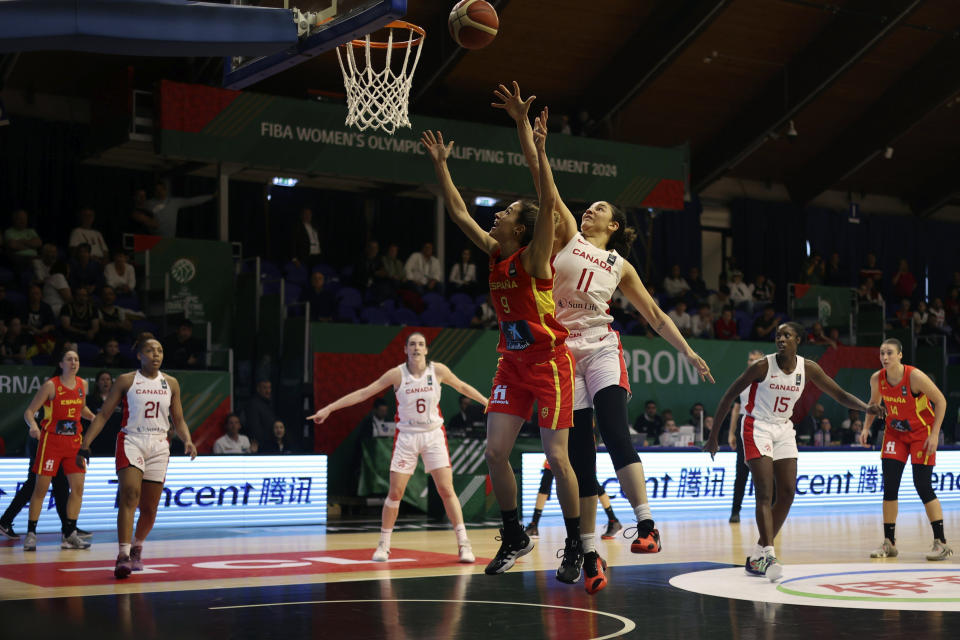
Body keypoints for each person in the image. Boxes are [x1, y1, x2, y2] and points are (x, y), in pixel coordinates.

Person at [495, 82, 712, 593]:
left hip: (600, 345)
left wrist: (688, 349)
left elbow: (656, 315)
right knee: (578, 459)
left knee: (616, 430)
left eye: (598, 209)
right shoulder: (566, 233)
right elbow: (540, 179)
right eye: (587, 207)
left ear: (613, 226)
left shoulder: (619, 264)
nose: (588, 211)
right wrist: (526, 130)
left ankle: (647, 524)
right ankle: (591, 554)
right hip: (559, 353)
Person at [421, 115, 584, 582]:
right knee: (495, 454)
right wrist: (442, 167)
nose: (497, 214)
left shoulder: (535, 258)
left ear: (523, 228)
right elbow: (458, 213)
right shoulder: (496, 252)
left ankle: (574, 543)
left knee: (557, 457)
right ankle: (514, 535)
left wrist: (533, 142)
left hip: (550, 364)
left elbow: (549, 200)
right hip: (512, 364)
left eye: (507, 211)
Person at [704, 322, 883, 581]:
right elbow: (728, 396)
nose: (781, 339)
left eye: (787, 335)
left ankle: (756, 554)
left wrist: (866, 407)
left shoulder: (808, 368)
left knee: (787, 493)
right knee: (764, 493)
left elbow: (840, 394)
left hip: (784, 428)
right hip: (757, 426)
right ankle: (767, 553)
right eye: (778, 335)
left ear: (798, 340)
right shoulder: (762, 366)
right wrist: (713, 438)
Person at [308, 331, 488, 564]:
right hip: (407, 436)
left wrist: (487, 402)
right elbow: (364, 393)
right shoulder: (397, 374)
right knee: (395, 493)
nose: (416, 347)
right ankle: (384, 544)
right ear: (405, 349)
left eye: (420, 344)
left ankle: (464, 544)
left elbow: (462, 387)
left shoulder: (439, 371)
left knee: (446, 489)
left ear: (426, 350)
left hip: (433, 434)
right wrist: (329, 408)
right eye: (412, 344)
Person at [79, 336, 197, 578]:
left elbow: (179, 419)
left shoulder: (171, 383)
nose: (156, 354)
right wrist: (85, 443)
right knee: (130, 494)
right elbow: (102, 416)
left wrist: (187, 440)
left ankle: (137, 547)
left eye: (160, 350)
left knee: (150, 509)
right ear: (139, 355)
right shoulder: (126, 380)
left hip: (159, 444)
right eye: (150, 350)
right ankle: (122, 555)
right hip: (131, 440)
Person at [861, 338, 952, 561]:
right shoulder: (877, 378)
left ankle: (941, 543)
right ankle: (889, 543)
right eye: (882, 353)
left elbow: (940, 401)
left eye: (890, 353)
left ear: (900, 355)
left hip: (921, 433)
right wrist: (865, 428)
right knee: (890, 486)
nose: (885, 357)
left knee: (923, 485)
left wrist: (934, 434)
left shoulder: (914, 376)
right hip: (894, 434)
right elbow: (874, 404)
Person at [21, 349, 96, 551]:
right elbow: (29, 412)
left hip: (74, 443)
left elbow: (81, 409)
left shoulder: (83, 384)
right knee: (41, 489)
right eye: (69, 359)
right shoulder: (51, 385)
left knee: (78, 488)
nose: (73, 362)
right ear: (61, 363)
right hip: (51, 442)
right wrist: (34, 426)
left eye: (76, 359)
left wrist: (94, 418)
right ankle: (31, 533)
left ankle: (69, 534)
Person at [524, 461, 622, 541]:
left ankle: (613, 520)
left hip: (580, 444)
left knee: (591, 482)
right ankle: (534, 525)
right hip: (560, 445)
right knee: (546, 479)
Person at [727, 352, 766, 522]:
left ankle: (770, 510)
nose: (752, 362)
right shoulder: (742, 380)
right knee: (741, 472)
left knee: (766, 473)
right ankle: (735, 512)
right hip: (744, 425)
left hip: (763, 425)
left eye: (755, 359)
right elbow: (736, 408)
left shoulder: (769, 381)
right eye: (749, 359)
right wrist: (731, 432)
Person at [144, 181, 216, 238]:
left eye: (161, 189)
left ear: (165, 190)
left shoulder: (174, 202)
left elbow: (192, 201)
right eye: (157, 190)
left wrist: (211, 196)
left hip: (170, 239)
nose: (159, 192)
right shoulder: (149, 204)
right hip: (153, 239)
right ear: (154, 191)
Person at [86, 370, 123, 456]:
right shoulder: (90, 401)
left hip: (115, 440)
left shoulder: (120, 401)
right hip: (96, 440)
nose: (105, 382)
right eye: (102, 379)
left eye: (108, 379)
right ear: (97, 383)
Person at [241, 379, 276, 447]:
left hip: (270, 442)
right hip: (261, 445)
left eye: (269, 388)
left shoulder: (268, 404)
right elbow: (255, 427)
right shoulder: (253, 404)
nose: (267, 391)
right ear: (258, 389)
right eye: (265, 388)